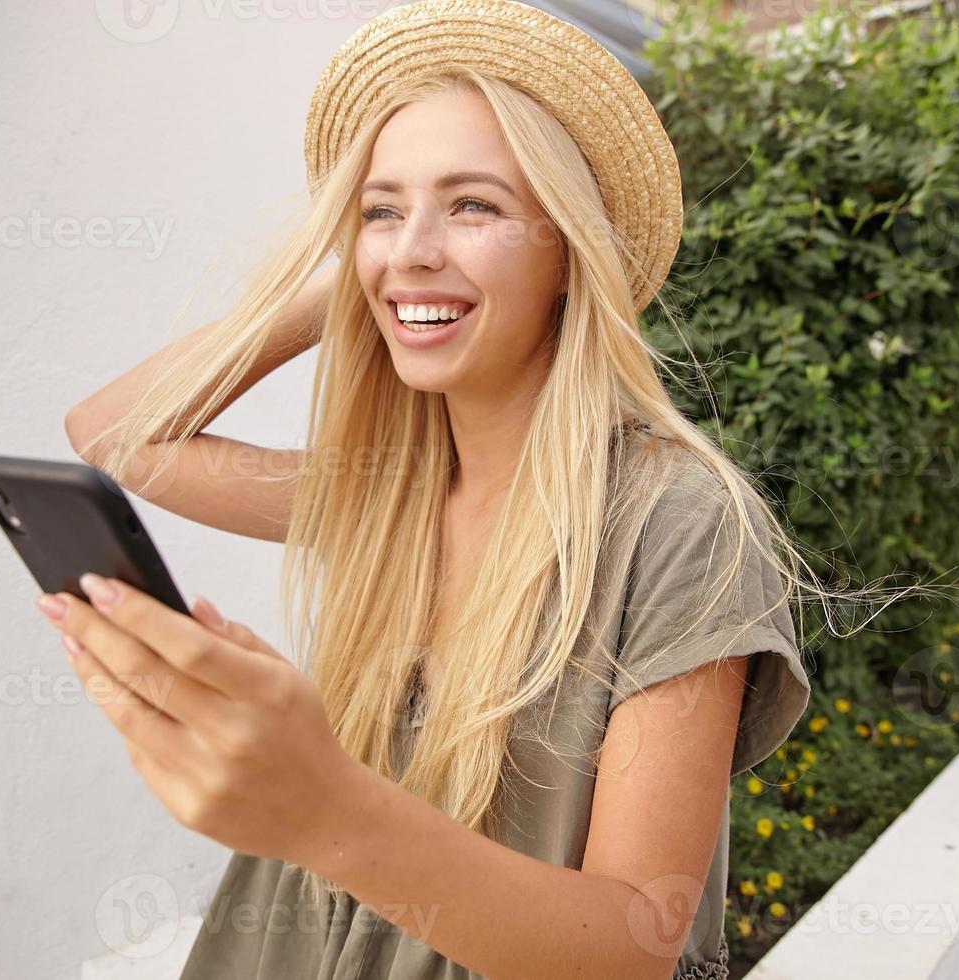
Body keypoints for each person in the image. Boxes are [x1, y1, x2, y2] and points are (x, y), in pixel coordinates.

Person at [63, 2, 823, 976]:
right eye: (380, 206)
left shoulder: (676, 521)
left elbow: (632, 943)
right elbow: (117, 433)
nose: (412, 243)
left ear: (566, 249)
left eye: (474, 204)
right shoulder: (384, 495)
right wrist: (365, 277)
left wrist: (320, 803)